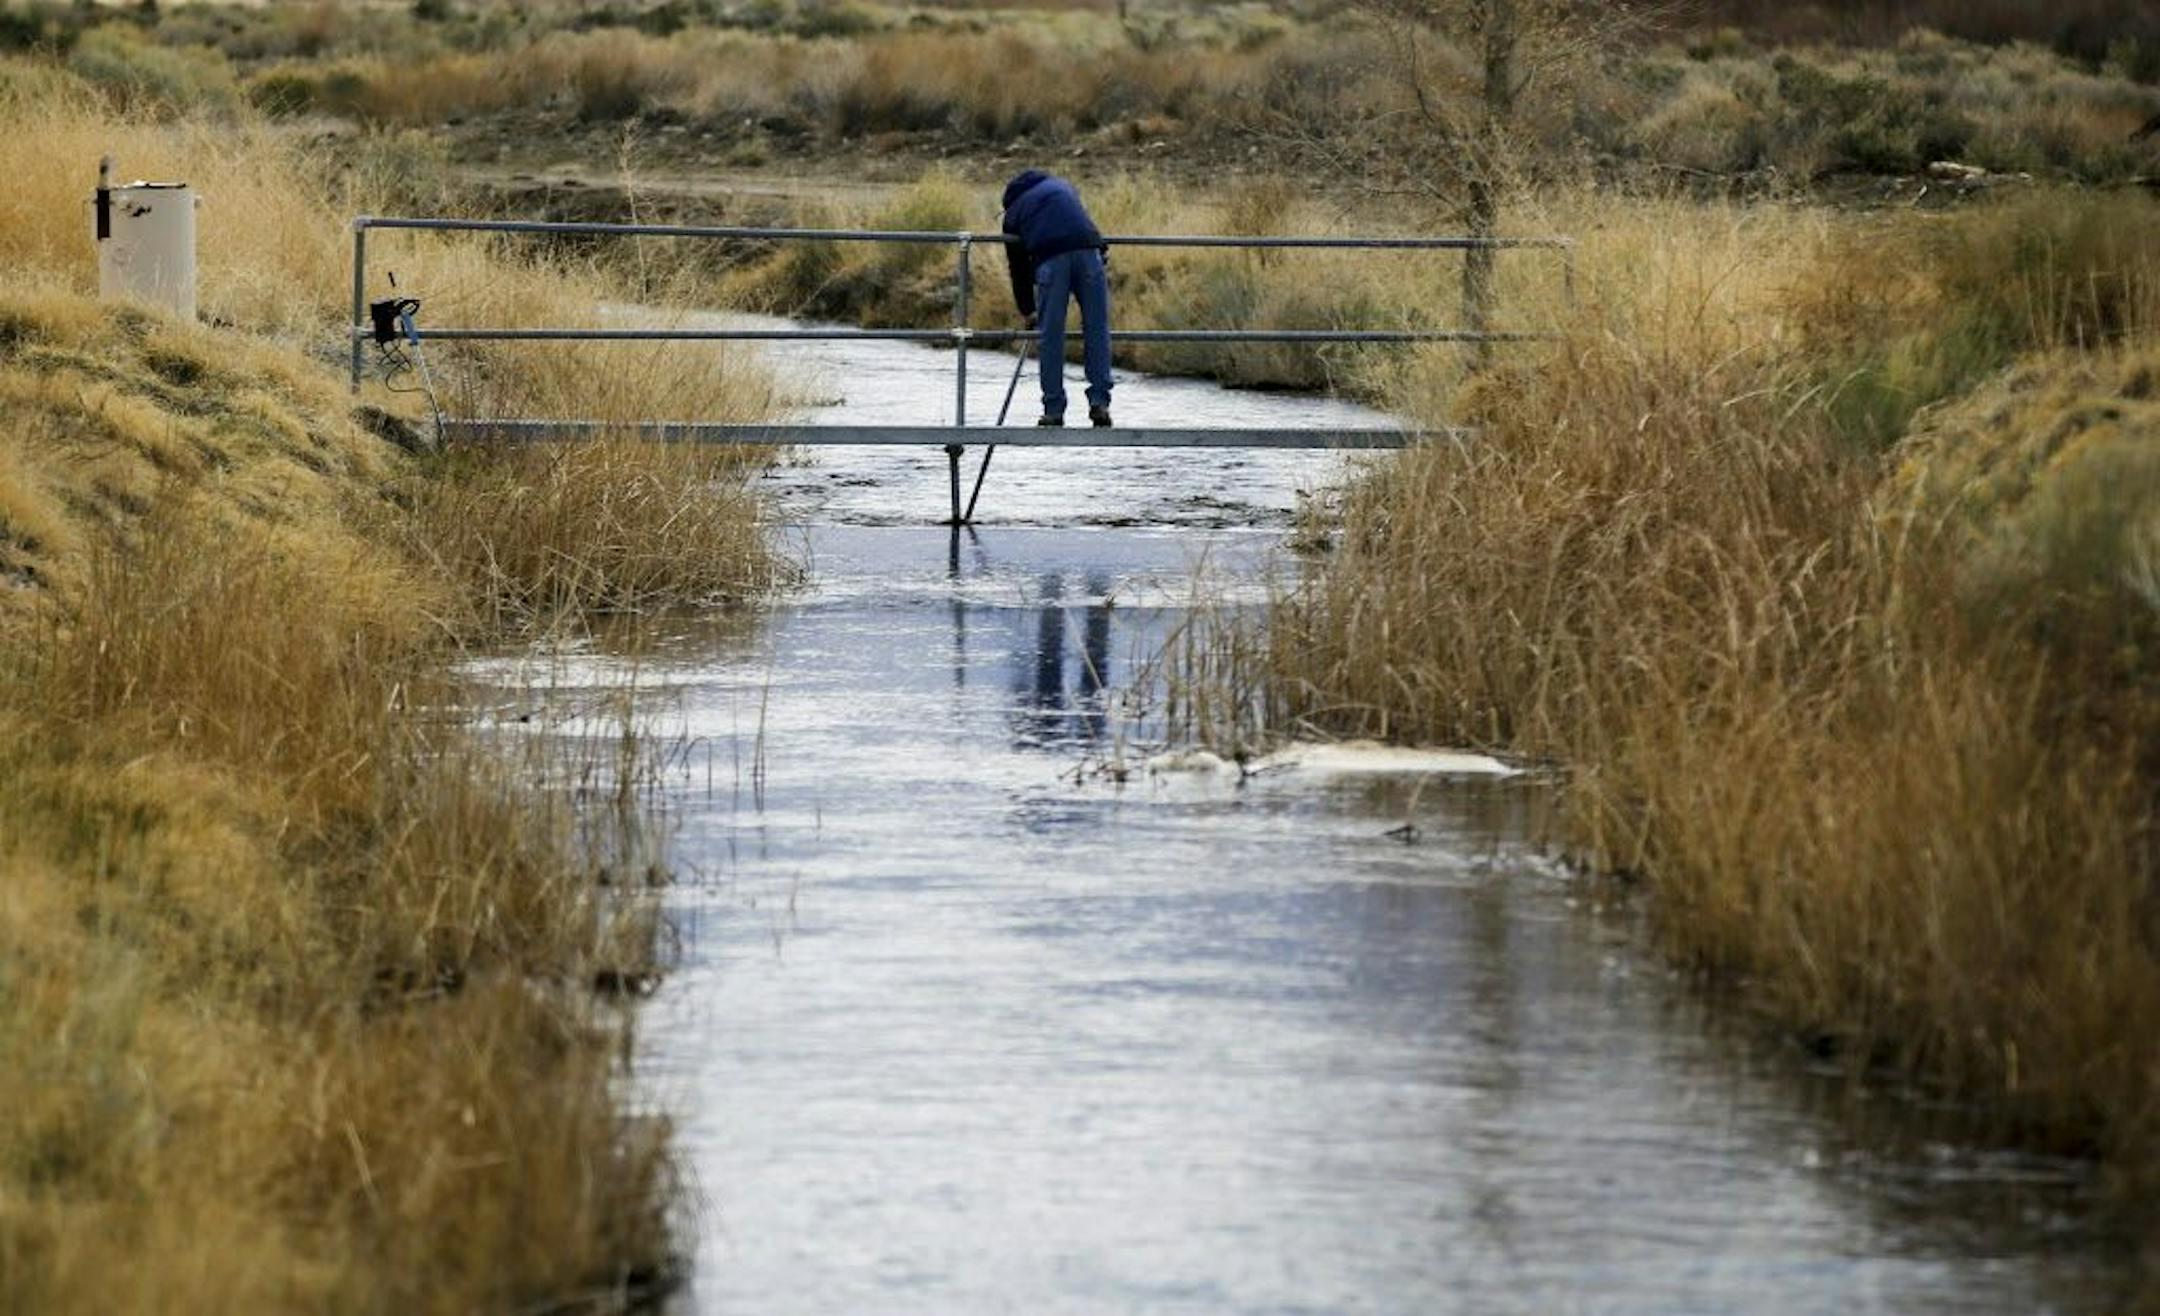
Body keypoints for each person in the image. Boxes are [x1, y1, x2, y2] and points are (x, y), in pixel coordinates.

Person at [1000, 170, 1113, 427]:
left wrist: (1028, 310)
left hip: (1052, 261)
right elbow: (1084, 224)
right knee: (1097, 329)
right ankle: (1100, 402)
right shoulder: (1063, 186)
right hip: (1089, 254)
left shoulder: (1013, 213)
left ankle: (1053, 409)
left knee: (1051, 335)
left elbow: (1017, 269)